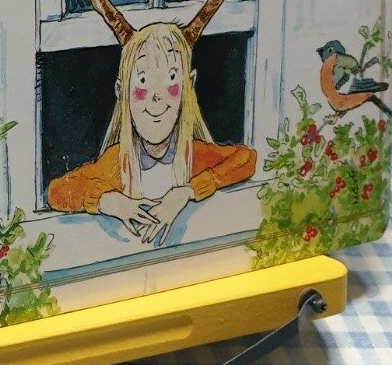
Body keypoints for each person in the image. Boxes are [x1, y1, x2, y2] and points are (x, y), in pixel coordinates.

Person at [45, 22, 256, 247]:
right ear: (122, 91)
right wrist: (107, 200)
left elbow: (246, 159)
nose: (157, 97)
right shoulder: (115, 162)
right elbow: (57, 192)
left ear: (188, 85)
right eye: (143, 81)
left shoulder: (196, 156)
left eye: (171, 79)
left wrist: (187, 192)